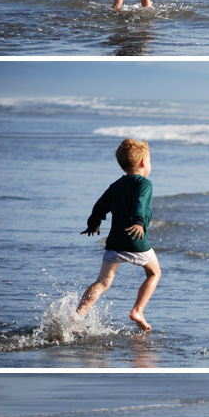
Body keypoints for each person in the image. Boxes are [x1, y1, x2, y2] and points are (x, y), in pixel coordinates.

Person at [77, 138, 161, 332]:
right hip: (135, 240)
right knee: (154, 272)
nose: (149, 164)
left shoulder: (116, 185)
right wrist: (139, 222)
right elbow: (139, 203)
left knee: (103, 282)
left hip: (114, 242)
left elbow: (100, 206)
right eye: (149, 160)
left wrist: (93, 223)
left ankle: (78, 314)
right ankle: (137, 311)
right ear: (142, 163)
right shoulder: (145, 184)